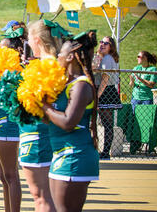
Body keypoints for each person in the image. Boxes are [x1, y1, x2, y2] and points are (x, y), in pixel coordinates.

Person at [43, 31, 100, 212]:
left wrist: (44, 106)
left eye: (60, 53)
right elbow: (50, 120)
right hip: (61, 153)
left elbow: (68, 122)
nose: (57, 56)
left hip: (75, 155)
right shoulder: (66, 84)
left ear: (70, 56)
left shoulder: (81, 85)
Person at [22, 19, 62, 212]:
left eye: (29, 39)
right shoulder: (58, 64)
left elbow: (38, 105)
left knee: (41, 197)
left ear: (36, 40)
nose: (28, 44)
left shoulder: (44, 67)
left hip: (37, 136)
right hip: (47, 136)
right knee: (47, 196)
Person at [0, 29, 25, 212]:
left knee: (11, 175)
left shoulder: (19, 71)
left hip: (9, 125)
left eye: (3, 49)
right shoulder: (1, 72)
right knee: (3, 175)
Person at [92, 35, 120, 160]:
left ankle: (105, 152)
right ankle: (97, 150)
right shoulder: (100, 57)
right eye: (101, 42)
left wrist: (97, 97)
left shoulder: (108, 58)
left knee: (107, 124)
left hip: (105, 91)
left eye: (106, 43)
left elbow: (105, 78)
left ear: (111, 47)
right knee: (96, 123)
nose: (102, 44)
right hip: (98, 90)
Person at [129, 51, 157, 153]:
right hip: (136, 98)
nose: (137, 58)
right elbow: (131, 80)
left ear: (145, 58)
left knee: (146, 122)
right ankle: (135, 144)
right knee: (134, 121)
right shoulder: (136, 68)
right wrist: (131, 80)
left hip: (147, 98)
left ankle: (148, 144)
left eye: (139, 56)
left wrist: (140, 79)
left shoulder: (152, 69)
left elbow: (151, 84)